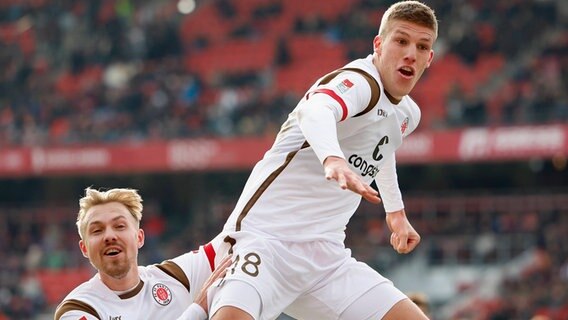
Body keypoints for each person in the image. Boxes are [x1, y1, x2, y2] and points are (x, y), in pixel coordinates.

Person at [208, 1, 437, 319]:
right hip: (265, 241)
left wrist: (395, 212)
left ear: (429, 58)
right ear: (379, 44)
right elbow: (314, 111)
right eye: (401, 41)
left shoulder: (408, 114)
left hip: (326, 259)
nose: (410, 52)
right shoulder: (360, 82)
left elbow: (382, 149)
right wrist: (333, 159)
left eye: (422, 46)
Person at [54, 187, 232, 320]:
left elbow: (234, 238)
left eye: (119, 226)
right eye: (97, 230)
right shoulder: (77, 309)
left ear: (139, 238)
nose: (109, 236)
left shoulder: (176, 276)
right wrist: (198, 311)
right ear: (84, 248)